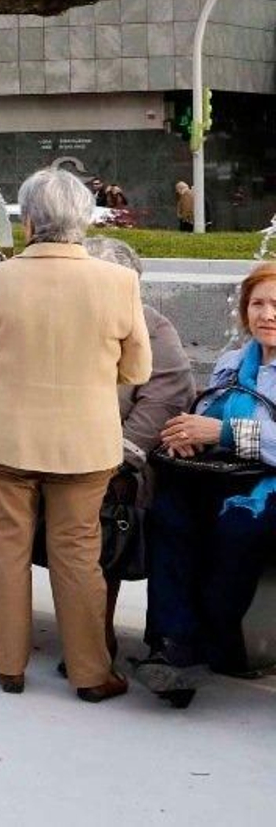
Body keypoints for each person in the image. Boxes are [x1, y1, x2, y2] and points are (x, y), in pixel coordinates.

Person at [0, 166, 150, 702]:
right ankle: (91, 674)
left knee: (6, 550)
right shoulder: (120, 282)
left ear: (30, 220)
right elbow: (138, 371)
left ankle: (8, 664)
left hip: (3, 440)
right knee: (79, 554)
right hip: (85, 445)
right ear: (84, 220)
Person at [0, 237, 194, 669]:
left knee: (99, 504)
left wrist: (118, 454)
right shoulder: (49, 311)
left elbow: (166, 395)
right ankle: (6, 624)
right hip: (40, 445)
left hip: (113, 460)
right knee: (0, 506)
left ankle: (90, 635)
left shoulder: (152, 326)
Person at [135, 262, 276, 705]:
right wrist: (186, 436)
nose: (266, 314)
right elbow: (212, 414)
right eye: (258, 304)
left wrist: (226, 433)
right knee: (169, 509)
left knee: (237, 526)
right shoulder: (235, 361)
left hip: (266, 484)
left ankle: (207, 637)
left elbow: (228, 430)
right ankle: (173, 647)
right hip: (225, 474)